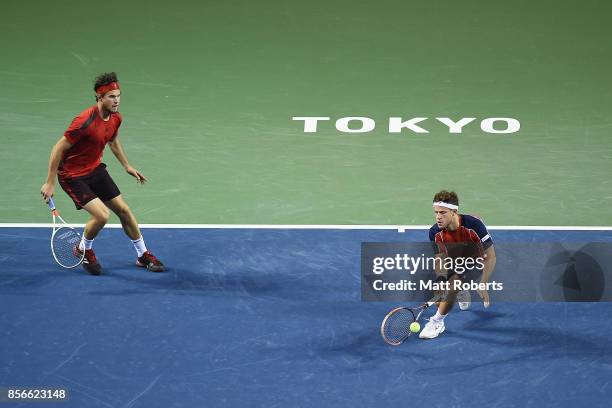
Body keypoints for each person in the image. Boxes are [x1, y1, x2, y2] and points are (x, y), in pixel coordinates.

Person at [40, 72, 164, 275]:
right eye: (111, 97)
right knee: (102, 216)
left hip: (95, 169)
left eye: (118, 96)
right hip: (73, 176)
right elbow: (58, 148)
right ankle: (83, 249)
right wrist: (49, 182)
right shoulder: (83, 122)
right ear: (100, 98)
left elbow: (112, 140)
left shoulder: (116, 118)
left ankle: (142, 254)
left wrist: (127, 165)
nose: (116, 101)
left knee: (123, 210)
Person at [419, 190, 496, 339]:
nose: (438, 217)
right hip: (455, 258)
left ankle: (437, 322)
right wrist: (440, 280)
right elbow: (440, 257)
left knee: (452, 287)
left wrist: (483, 283)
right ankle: (461, 291)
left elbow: (491, 256)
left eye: (442, 212)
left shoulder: (474, 225)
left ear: (454, 211)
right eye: (436, 212)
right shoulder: (434, 232)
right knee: (439, 292)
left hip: (476, 260)